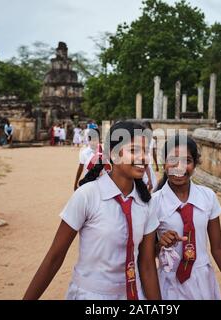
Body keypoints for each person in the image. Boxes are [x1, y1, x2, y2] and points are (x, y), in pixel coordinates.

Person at [23, 121, 161, 300]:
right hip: (90, 296)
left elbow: (147, 265)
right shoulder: (88, 196)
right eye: (134, 150)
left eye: (146, 151)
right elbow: (55, 257)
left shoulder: (146, 203)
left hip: (132, 295)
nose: (143, 158)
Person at [152, 135, 221, 300]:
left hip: (203, 281)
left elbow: (218, 248)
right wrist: (160, 244)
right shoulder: (154, 204)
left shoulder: (208, 197)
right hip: (169, 283)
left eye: (186, 160)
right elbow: (147, 256)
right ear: (164, 163)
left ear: (195, 164)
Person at [142, 121, 159, 192]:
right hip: (142, 163)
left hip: (149, 162)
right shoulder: (139, 140)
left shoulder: (152, 140)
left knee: (152, 183)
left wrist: (157, 165)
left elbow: (154, 153)